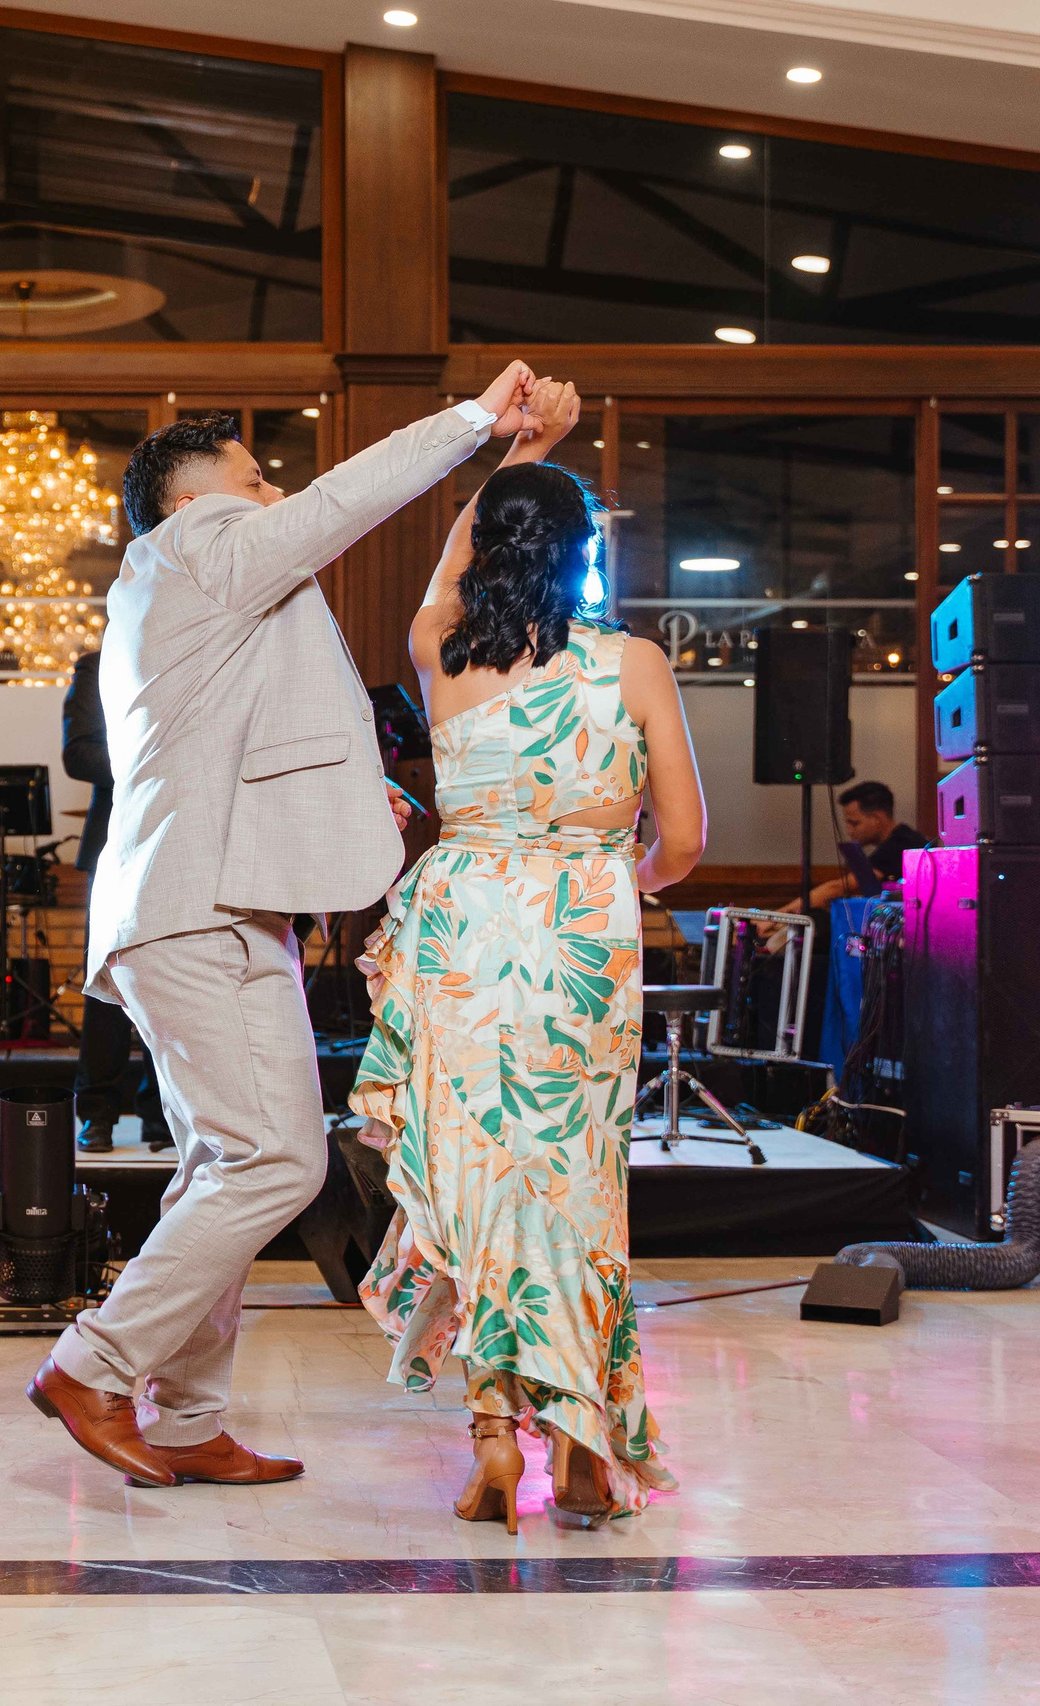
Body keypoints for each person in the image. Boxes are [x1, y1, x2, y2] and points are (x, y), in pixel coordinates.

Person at [25, 361, 549, 1490]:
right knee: (273, 1159)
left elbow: (261, 741)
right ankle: (92, 1363)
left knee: (221, 1165)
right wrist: (471, 423)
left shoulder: (202, 593)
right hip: (192, 909)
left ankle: (184, 1417)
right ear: (191, 498)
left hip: (222, 902)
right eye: (255, 479)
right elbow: (339, 505)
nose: (275, 495)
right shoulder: (191, 549)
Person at [350, 402, 707, 1532]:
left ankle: (494, 1445)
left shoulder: (438, 653)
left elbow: (449, 559)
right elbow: (687, 839)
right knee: (574, 1191)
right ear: (586, 556)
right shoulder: (633, 662)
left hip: (462, 932)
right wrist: (619, 876)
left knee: (475, 1190)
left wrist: (520, 459)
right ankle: (586, 1449)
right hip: (579, 937)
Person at [63, 645, 176, 1154]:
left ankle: (160, 1114)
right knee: (106, 982)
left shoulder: (186, 654)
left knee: (170, 979)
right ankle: (98, 1113)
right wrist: (157, 757)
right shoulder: (96, 664)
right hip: (113, 843)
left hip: (177, 839)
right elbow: (79, 751)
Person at [785, 780, 925, 912]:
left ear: (877, 818)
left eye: (854, 823)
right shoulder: (901, 839)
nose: (849, 831)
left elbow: (838, 887)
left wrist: (780, 915)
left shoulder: (901, 844)